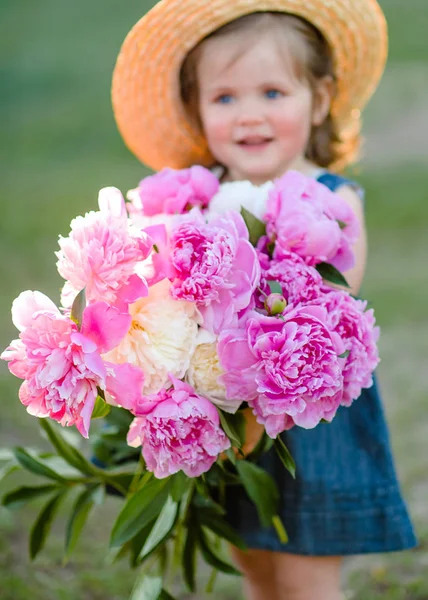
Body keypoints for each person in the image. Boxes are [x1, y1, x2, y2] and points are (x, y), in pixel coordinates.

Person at [111, 1, 417, 598]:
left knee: (306, 579)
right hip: (223, 418)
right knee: (255, 567)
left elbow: (331, 296)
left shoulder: (333, 199)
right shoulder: (199, 199)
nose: (249, 115)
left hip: (309, 417)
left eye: (273, 92)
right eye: (225, 98)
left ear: (321, 99)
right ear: (197, 109)